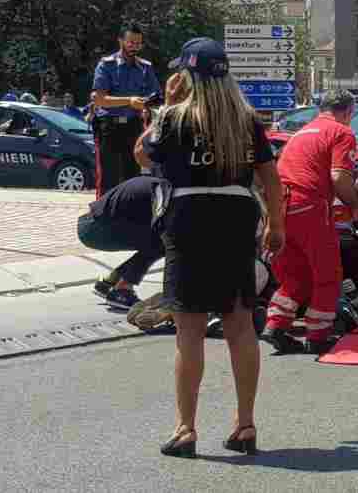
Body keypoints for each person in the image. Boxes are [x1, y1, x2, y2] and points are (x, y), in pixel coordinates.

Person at [133, 37, 284, 459]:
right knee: (240, 326)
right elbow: (271, 179)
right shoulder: (247, 119)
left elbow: (142, 157)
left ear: (188, 74)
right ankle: (246, 425)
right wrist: (276, 223)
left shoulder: (174, 118)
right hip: (236, 218)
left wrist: (163, 105)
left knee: (190, 331)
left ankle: (186, 429)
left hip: (189, 220)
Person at [263, 90, 358, 355]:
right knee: (327, 275)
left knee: (296, 278)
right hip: (310, 207)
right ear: (348, 112)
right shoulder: (341, 132)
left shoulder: (301, 132)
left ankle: (276, 325)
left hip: (282, 207)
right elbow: (339, 176)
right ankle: (318, 335)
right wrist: (356, 206)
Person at [91, 23, 160, 199]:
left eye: (138, 43)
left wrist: (147, 106)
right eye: (130, 42)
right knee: (108, 178)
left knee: (133, 178)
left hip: (134, 127)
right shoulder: (106, 65)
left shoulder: (146, 67)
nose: (134, 47)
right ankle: (103, 219)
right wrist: (129, 101)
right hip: (109, 128)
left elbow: (155, 96)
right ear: (121, 40)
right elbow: (99, 99)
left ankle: (129, 219)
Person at [78, 175, 167, 309]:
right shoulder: (165, 191)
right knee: (165, 242)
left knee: (161, 239)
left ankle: (110, 282)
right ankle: (123, 289)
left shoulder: (160, 184)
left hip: (91, 224)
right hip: (95, 229)